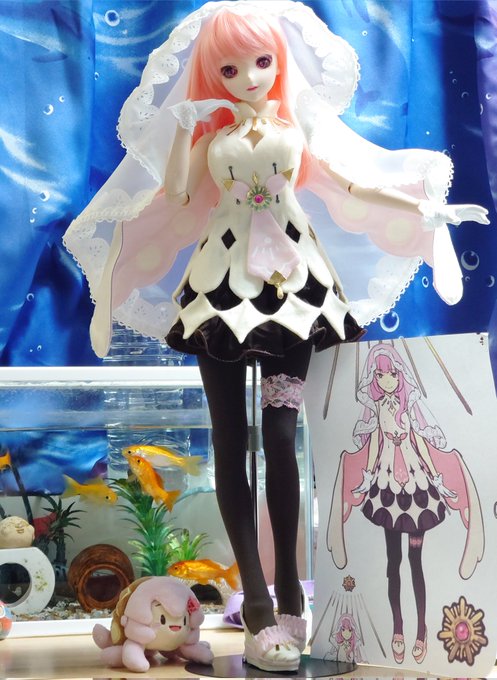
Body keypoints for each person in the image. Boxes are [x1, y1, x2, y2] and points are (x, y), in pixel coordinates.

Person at [63, 1, 488, 672]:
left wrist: (423, 210)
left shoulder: (294, 131)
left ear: (279, 62)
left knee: (283, 438)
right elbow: (177, 193)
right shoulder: (211, 137)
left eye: (261, 62)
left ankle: (291, 589)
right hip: (220, 292)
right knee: (229, 439)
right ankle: (257, 601)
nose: (248, 77)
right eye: (230, 68)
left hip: (294, 290)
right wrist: (185, 127)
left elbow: (349, 181)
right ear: (213, 73)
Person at [327, 343, 483, 666]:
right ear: (374, 378)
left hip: (415, 491)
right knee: (393, 562)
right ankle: (398, 628)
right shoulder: (378, 408)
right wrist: (366, 477)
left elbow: (421, 445)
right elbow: (373, 444)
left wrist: (437, 478)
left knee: (415, 560)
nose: (387, 380)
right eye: (380, 375)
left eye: (392, 374)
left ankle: (421, 630)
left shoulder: (407, 406)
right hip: (387, 491)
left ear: (401, 375)